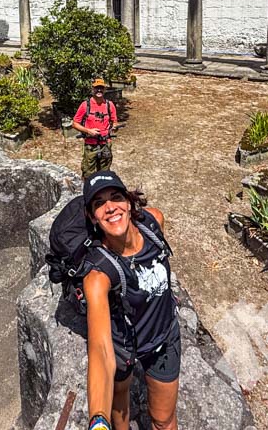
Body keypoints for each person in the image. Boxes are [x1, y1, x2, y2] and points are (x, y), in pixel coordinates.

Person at [83, 171, 180, 430]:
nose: (110, 207)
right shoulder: (98, 276)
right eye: (99, 203)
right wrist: (98, 420)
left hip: (163, 338)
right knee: (119, 396)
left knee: (163, 419)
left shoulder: (154, 222)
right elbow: (101, 351)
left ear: (128, 202)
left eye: (116, 197)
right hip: (122, 344)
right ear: (92, 217)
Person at [73, 78, 118, 180]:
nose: (99, 90)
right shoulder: (85, 105)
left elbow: (114, 121)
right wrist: (88, 131)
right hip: (90, 145)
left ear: (104, 90)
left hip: (105, 144)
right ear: (92, 89)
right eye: (97, 88)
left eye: (101, 88)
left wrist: (114, 127)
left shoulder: (109, 105)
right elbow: (75, 123)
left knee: (105, 174)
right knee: (88, 174)